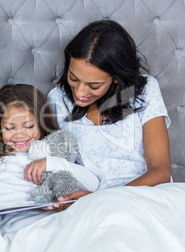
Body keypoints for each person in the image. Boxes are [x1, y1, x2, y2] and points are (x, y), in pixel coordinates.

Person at [46, 20, 172, 211]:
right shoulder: (58, 100)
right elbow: (55, 164)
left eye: (94, 86)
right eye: (73, 78)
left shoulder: (145, 91)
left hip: (145, 198)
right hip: (88, 205)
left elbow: (161, 171)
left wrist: (102, 199)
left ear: (116, 77)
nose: (79, 92)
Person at [0, 84, 99, 203]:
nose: (20, 135)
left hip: (29, 214)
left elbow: (93, 183)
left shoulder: (49, 149)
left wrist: (49, 163)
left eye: (28, 126)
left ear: (41, 123)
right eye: (9, 127)